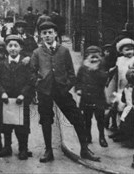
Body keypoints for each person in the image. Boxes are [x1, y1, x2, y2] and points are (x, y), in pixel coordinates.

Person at [30, 21, 99, 163]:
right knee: (46, 120)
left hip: (61, 90)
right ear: (40, 36)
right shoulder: (37, 52)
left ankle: (84, 149)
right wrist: (38, 84)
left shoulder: (64, 51)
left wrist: (66, 86)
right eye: (44, 33)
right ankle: (48, 150)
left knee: (76, 117)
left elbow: (71, 73)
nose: (47, 35)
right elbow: (31, 73)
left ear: (56, 34)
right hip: (45, 91)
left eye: (50, 32)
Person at [0, 34, 34, 160]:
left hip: (21, 100)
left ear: (21, 48)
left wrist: (23, 94)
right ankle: (7, 147)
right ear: (6, 48)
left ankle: (23, 148)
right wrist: (2, 93)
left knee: (22, 126)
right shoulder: (2, 64)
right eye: (10, 46)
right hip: (6, 99)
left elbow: (31, 80)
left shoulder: (26, 63)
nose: (12, 48)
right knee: (6, 125)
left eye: (15, 46)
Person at [75, 45, 108, 147]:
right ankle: (88, 135)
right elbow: (78, 81)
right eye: (91, 57)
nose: (94, 59)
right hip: (86, 97)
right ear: (87, 57)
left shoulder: (102, 68)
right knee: (86, 118)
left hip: (98, 97)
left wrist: (97, 70)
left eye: (96, 57)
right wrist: (79, 89)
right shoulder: (83, 68)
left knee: (100, 119)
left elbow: (104, 80)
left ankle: (102, 137)